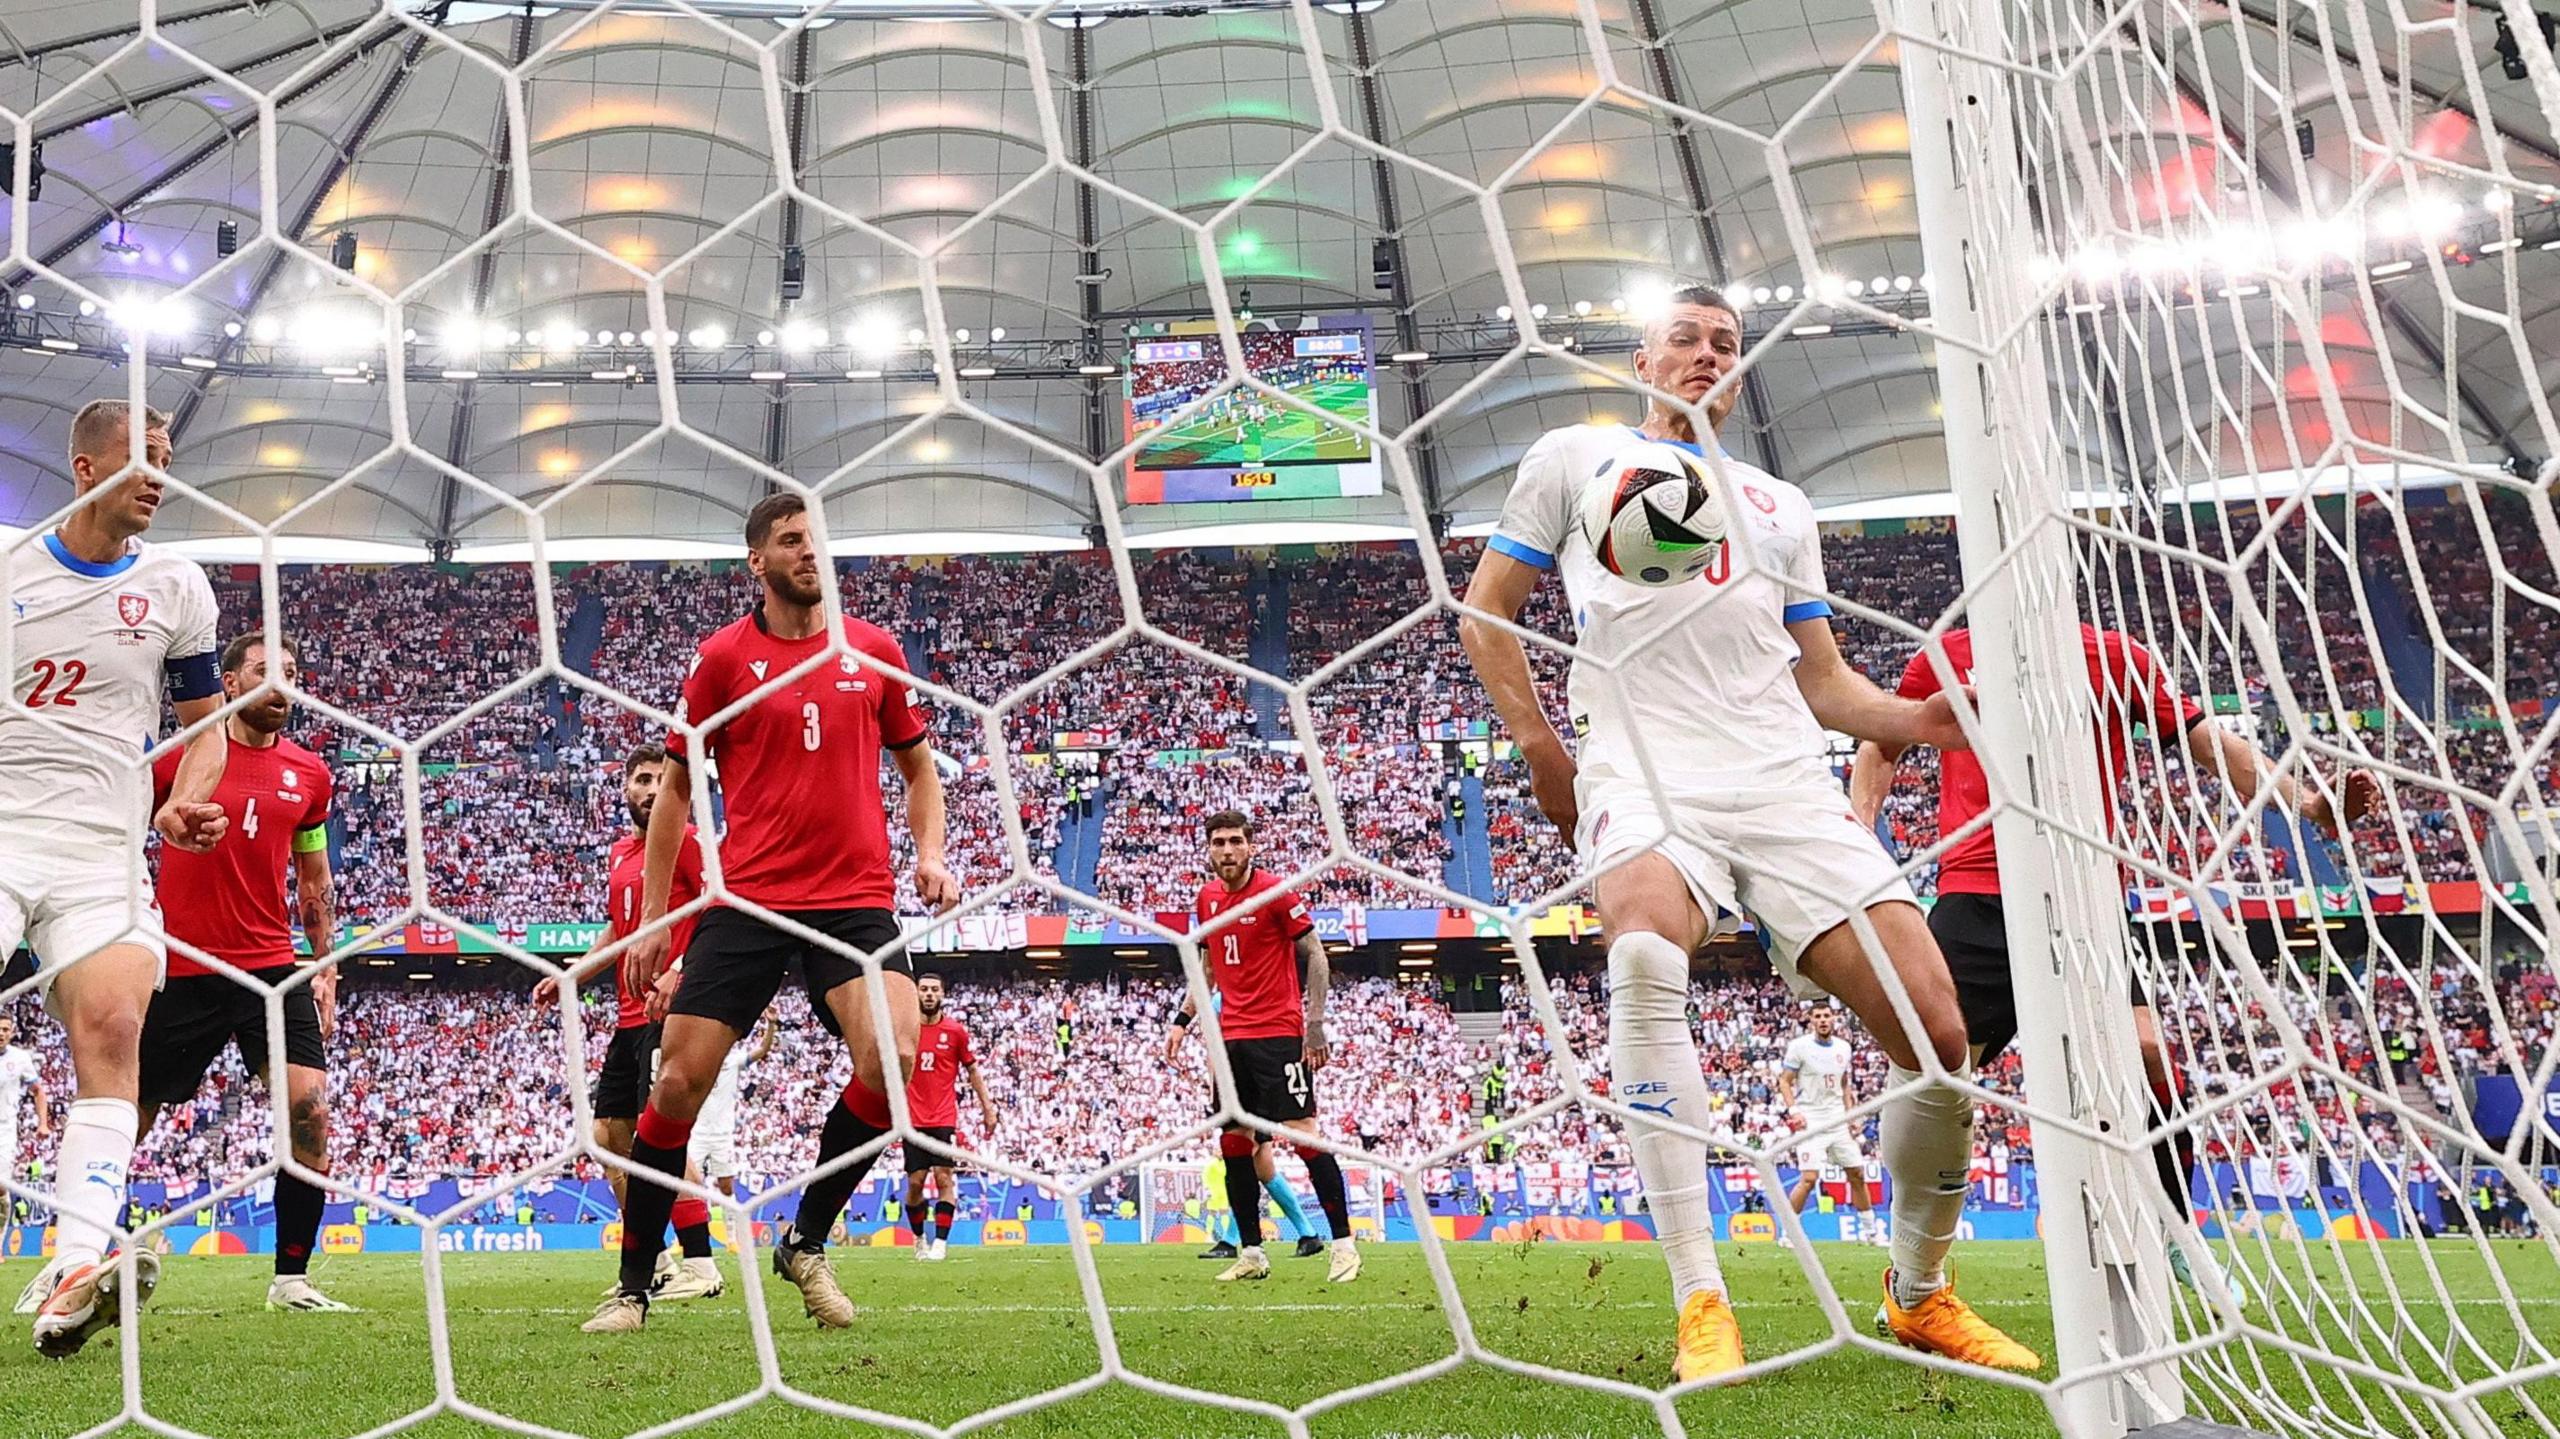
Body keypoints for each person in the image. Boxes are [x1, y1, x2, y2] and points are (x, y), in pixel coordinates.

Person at [1457, 285, 2036, 1380]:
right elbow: (1487, 608)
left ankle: (1918, 1293)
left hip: (1778, 775)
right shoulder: (1574, 459)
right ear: (1641, 357)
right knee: (1639, 950)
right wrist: (1544, 750)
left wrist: (1925, 719)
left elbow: (1824, 686)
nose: (1705, 354)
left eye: (1725, 344)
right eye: (1684, 338)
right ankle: (1700, 1296)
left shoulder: (1778, 504)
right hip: (1639, 760)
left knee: (1938, 1039)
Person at [1849, 622, 2376, 1302]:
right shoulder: (1948, 653)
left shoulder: (2116, 655)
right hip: (1977, 895)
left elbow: (2209, 742)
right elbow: (1882, 744)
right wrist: (1859, 827)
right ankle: (1915, 1274)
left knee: (2149, 1054)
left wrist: (2303, 802)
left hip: (2082, 897)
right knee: (1933, 1078)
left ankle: (2177, 1235)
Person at [585, 492, 956, 1333]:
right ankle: (635, 1287)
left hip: (855, 900)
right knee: (675, 1081)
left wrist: (929, 852)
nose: (808, 551)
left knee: (894, 1058)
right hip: (748, 900)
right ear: (757, 560)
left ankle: (805, 1240)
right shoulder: (722, 659)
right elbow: (678, 784)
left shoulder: (873, 648)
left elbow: (920, 769)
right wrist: (654, 917)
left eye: (817, 538)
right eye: (791, 540)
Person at [5, 400, 229, 1358]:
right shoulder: (10, 562)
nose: (156, 477)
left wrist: (184, 800)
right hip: (5, 825)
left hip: (106, 844)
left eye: (166, 460)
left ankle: (77, 1264)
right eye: (140, 458)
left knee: (114, 1026)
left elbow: (206, 725)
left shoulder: (179, 585)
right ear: (83, 461)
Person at [127, 635, 351, 1311]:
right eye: (264, 671)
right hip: (183, 965)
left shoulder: (310, 774)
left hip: (271, 971)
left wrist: (326, 964)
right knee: (126, 1114)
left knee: (311, 1114)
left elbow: (314, 878)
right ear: (228, 680)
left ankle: (291, 1278)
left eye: (290, 674)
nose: (280, 684)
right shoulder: (179, 758)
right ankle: (75, 1254)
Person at [531, 744, 721, 1304]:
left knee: (661, 1128)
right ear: (625, 790)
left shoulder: (686, 842)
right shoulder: (621, 853)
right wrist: (571, 974)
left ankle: (702, 1263)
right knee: (609, 1137)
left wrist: (682, 970)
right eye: (641, 779)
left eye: (661, 780)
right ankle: (654, 1255)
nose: (650, 789)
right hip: (628, 1013)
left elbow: (717, 910)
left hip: (674, 1007)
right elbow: (619, 931)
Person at [1169, 810, 1358, 1284]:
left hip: (1278, 1034)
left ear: (1251, 846)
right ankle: (1251, 1253)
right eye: (1218, 842)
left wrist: (1314, 1023)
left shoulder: (1276, 892)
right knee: (1234, 1144)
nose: (1227, 850)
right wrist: (1182, 1020)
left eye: (1235, 841)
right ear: (1209, 849)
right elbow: (1208, 968)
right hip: (1231, 1038)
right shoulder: (1207, 899)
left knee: (1303, 1133)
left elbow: (1315, 953)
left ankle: (1343, 1245)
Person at [1164, 994, 1324, 1261]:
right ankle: (1308, 1234)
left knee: (1241, 1166)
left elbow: (1222, 1053)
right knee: (1265, 1170)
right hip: (1253, 1086)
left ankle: (1231, 1240)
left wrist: (1218, 1097)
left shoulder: (1220, 1003)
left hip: (1242, 1092)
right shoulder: (1230, 1000)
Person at [902, 973, 996, 1261]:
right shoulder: (905, 1029)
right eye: (924, 990)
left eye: (934, 990)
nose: (929, 994)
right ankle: (919, 1238)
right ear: (916, 993)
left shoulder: (955, 1031)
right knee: (916, 1183)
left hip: (943, 1118)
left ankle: (940, 1244)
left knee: (944, 1179)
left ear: (942, 994)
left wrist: (987, 1107)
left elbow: (972, 1070)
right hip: (912, 1120)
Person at [1778, 1006, 1884, 1248]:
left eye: (1827, 1016)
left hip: (1836, 1119)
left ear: (1834, 1019)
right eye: (1818, 1017)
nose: (1823, 1020)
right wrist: (1794, 1111)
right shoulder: (1800, 1047)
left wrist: (1850, 1115)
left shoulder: (1843, 1048)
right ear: (1811, 1021)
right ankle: (1788, 1234)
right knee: (1809, 1178)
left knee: (1857, 1174)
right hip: (1811, 1118)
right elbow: (1784, 1081)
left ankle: (1871, 1234)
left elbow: (1844, 1083)